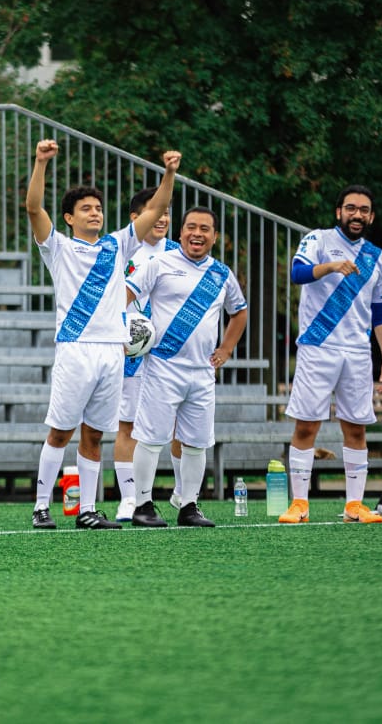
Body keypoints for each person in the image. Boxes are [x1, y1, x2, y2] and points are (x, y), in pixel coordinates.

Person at [25, 140, 178, 530]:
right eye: (85, 209)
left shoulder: (118, 243)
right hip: (76, 348)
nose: (94, 213)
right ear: (70, 218)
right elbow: (33, 208)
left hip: (113, 351)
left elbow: (158, 208)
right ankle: (41, 507)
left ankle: (88, 511)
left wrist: (169, 173)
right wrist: (41, 163)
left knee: (94, 435)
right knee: (61, 431)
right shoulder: (58, 246)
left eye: (97, 208)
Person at [123, 206, 249, 528]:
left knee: (196, 441)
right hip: (164, 364)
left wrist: (226, 349)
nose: (197, 234)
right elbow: (124, 295)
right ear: (180, 233)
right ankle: (142, 505)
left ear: (215, 236)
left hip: (203, 371)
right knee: (151, 438)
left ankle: (189, 506)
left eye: (205, 229)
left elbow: (240, 312)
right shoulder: (159, 263)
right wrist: (123, 331)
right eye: (191, 227)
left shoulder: (222, 273)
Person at [280, 185, 382, 525]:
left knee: (357, 429)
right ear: (338, 212)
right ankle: (299, 503)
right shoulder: (317, 240)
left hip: (358, 352)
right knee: (306, 426)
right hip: (318, 346)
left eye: (363, 210)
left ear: (371, 216)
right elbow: (297, 273)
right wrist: (331, 267)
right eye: (350, 208)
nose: (357, 214)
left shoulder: (376, 256)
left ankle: (354, 505)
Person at [112, 188, 178, 522]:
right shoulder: (120, 250)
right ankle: (129, 499)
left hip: (172, 355)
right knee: (129, 426)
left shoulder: (181, 253)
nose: (163, 218)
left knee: (179, 429)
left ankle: (185, 498)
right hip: (132, 351)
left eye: (167, 212)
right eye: (156, 211)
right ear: (136, 218)